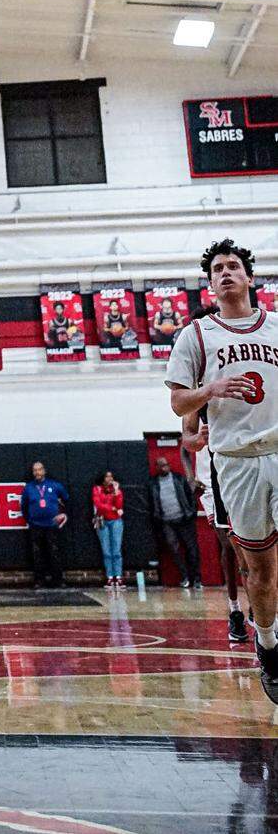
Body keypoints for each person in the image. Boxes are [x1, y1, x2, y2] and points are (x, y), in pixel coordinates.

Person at [167, 238, 278, 701]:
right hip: (236, 460)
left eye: (234, 266)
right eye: (218, 268)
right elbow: (177, 403)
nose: (226, 272)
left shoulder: (276, 326)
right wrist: (210, 389)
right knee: (261, 570)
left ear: (250, 278)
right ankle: (269, 645)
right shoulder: (196, 334)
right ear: (210, 284)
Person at [185, 406, 250, 644]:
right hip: (211, 486)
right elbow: (185, 444)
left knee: (249, 549)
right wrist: (191, 477)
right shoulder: (196, 400)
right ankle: (235, 611)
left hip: (237, 475)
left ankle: (257, 608)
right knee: (230, 546)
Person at [147, 456, 202, 589]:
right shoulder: (153, 483)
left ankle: (196, 579)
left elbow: (190, 496)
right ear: (157, 467)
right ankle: (184, 577)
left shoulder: (179, 478)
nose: (164, 467)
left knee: (192, 549)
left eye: (166, 464)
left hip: (184, 519)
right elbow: (152, 503)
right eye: (161, 465)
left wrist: (192, 512)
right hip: (166, 521)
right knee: (174, 549)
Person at [22, 461, 69, 588]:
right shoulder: (29, 488)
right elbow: (24, 507)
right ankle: (39, 581)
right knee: (37, 555)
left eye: (39, 469)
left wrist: (62, 514)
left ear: (44, 470)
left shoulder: (54, 485)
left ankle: (58, 580)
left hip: (52, 525)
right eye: (35, 470)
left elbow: (66, 499)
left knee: (54, 553)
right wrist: (30, 520)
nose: (37, 472)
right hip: (36, 526)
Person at [92, 471, 125, 589]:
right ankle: (110, 576)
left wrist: (116, 491)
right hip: (102, 520)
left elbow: (120, 505)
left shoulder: (116, 490)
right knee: (106, 550)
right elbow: (98, 504)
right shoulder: (97, 489)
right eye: (107, 476)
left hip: (116, 521)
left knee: (116, 549)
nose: (109, 478)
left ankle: (119, 576)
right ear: (103, 478)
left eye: (111, 476)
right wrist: (112, 508)